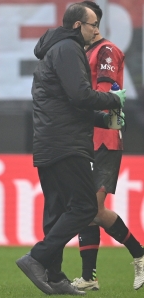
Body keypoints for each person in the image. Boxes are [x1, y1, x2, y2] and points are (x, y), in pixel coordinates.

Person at [15, 3, 126, 295]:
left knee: (56, 211)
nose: (96, 30)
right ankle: (37, 258)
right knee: (85, 207)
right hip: (67, 144)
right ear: (78, 26)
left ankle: (54, 277)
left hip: (50, 141)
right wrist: (114, 101)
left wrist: (103, 119)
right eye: (93, 24)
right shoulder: (68, 49)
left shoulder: (55, 50)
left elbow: (65, 102)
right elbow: (80, 95)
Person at [70, 1, 144, 291]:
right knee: (84, 207)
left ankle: (139, 254)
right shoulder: (82, 51)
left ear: (88, 25)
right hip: (86, 137)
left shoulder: (106, 51)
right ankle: (89, 278)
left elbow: (104, 93)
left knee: (93, 209)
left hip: (105, 138)